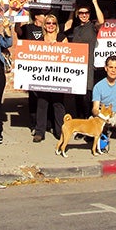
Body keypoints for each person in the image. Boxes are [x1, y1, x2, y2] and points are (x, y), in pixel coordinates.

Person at [64, 0, 105, 118]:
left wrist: (95, 2)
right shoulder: (75, 30)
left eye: (86, 13)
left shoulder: (93, 26)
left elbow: (101, 21)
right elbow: (66, 27)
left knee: (87, 98)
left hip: (88, 67)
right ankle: (79, 124)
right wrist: (72, 10)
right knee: (76, 98)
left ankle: (88, 122)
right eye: (81, 13)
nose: (84, 15)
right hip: (76, 67)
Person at [33, 14, 68, 142]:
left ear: (56, 25)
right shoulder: (40, 40)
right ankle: (39, 132)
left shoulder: (62, 38)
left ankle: (60, 132)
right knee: (42, 103)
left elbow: (68, 55)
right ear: (44, 25)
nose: (50, 26)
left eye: (53, 23)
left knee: (58, 104)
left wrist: (57, 47)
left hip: (58, 76)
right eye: (48, 23)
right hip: (44, 77)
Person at [16, 9, 46, 135]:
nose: (45, 17)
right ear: (36, 16)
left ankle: (45, 123)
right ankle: (34, 124)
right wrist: (16, 18)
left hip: (46, 67)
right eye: (43, 14)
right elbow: (18, 31)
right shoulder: (28, 28)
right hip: (32, 67)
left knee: (44, 97)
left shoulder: (48, 28)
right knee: (33, 97)